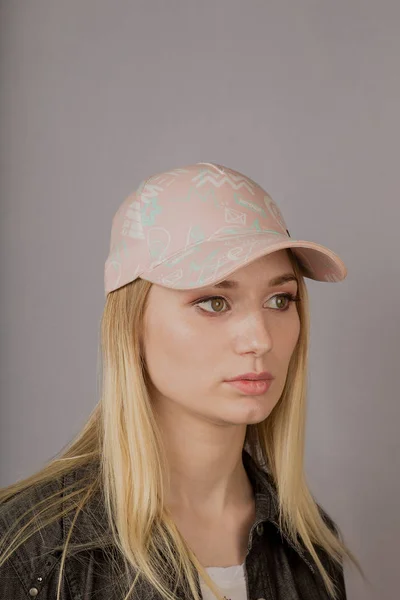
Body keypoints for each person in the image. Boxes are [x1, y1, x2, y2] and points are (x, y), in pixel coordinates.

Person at [0, 162, 365, 600]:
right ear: (132, 324)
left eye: (278, 299)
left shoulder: (309, 547)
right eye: (214, 302)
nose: (259, 339)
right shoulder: (30, 550)